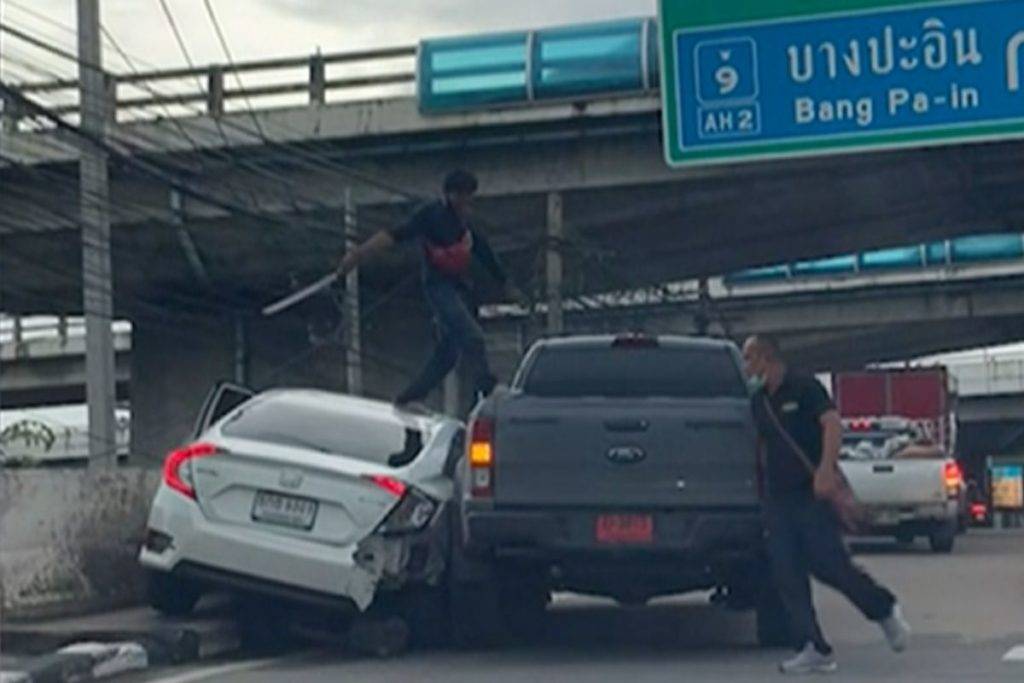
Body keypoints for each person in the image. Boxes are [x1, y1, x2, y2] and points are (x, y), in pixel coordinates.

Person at [742, 335, 911, 675]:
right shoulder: (759, 401)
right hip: (778, 500)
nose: (746, 367)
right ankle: (813, 647)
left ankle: (883, 608)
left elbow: (832, 424)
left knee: (830, 565)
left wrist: (824, 470)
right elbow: (761, 446)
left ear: (764, 357)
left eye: (748, 359)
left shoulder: (804, 387)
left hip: (811, 494)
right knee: (786, 574)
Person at [338, 169, 521, 410]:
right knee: (472, 336)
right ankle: (487, 387)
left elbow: (483, 252)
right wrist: (358, 255)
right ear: (451, 194)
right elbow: (394, 235)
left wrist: (505, 283)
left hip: (460, 289)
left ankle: (409, 398)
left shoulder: (463, 222)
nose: (466, 202)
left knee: (448, 355)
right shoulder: (431, 215)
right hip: (439, 288)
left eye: (469, 197)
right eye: (463, 196)